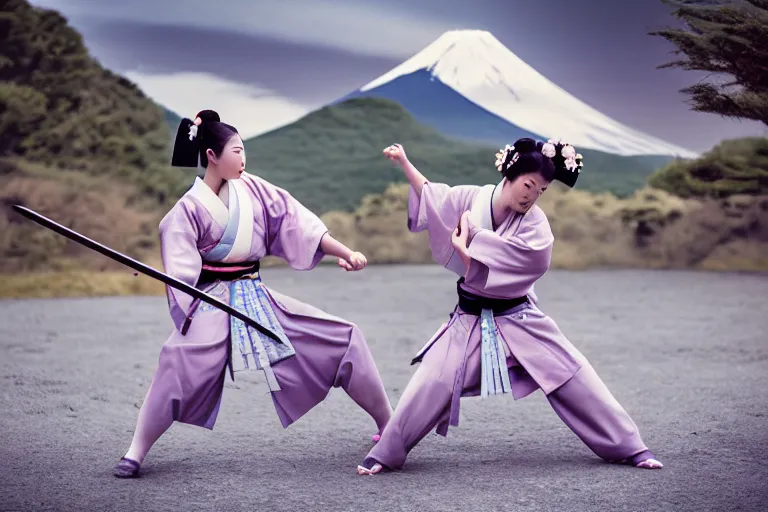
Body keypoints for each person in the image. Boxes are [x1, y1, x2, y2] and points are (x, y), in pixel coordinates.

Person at [356, 138, 663, 476]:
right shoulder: (470, 200)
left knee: (572, 374)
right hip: (470, 318)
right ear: (509, 177)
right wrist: (404, 161)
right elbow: (433, 195)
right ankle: (385, 453)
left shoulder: (535, 224)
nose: (531, 195)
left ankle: (631, 447)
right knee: (433, 380)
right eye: (528, 184)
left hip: (519, 317)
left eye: (541, 190)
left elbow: (531, 261)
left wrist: (467, 247)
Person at [113, 110, 392, 478]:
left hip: (255, 293)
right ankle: (135, 452)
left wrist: (345, 252)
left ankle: (390, 426)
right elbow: (180, 262)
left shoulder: (255, 190)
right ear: (211, 156)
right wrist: (169, 277)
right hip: (212, 298)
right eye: (236, 151)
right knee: (176, 363)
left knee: (344, 338)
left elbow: (297, 222)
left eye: (244, 151)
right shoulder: (188, 209)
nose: (243, 159)